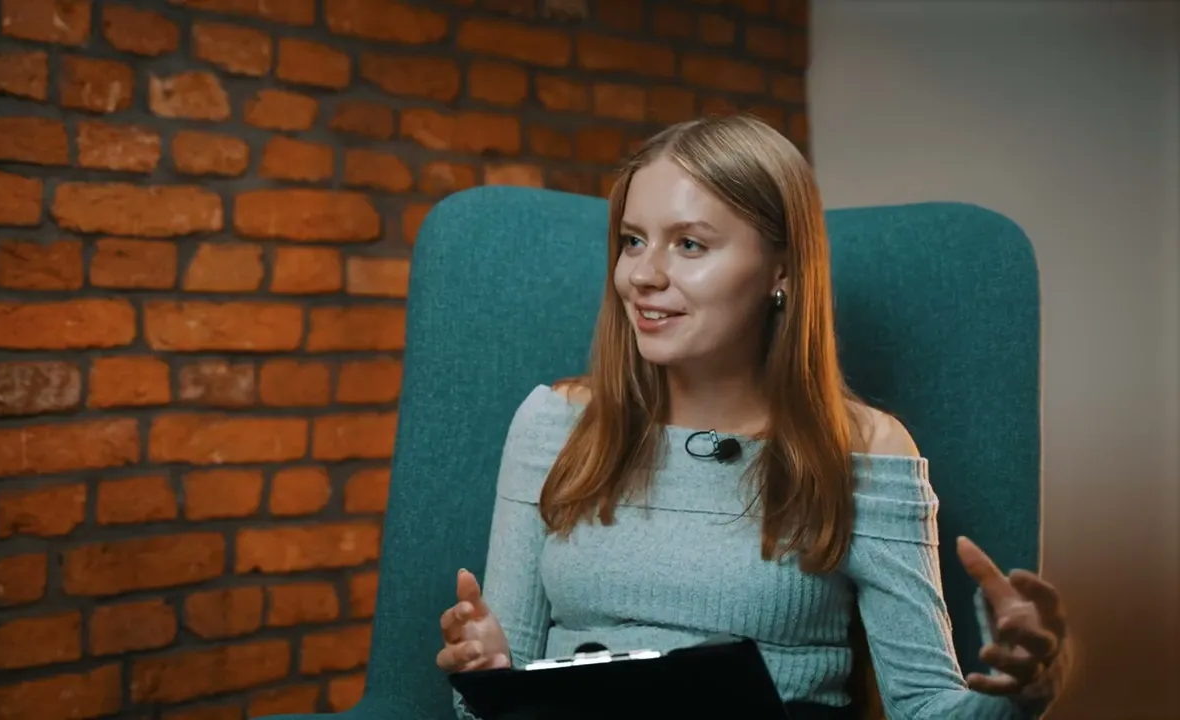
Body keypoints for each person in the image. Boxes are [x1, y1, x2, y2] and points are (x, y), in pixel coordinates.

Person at [436, 114, 1073, 719]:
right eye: (633, 241)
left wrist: (1023, 695)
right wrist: (486, 672)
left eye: (689, 244)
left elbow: (925, 708)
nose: (643, 275)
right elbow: (491, 699)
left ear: (781, 269)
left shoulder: (865, 448)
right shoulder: (554, 424)